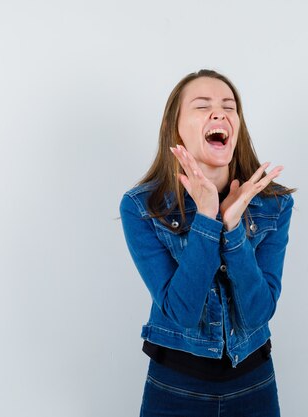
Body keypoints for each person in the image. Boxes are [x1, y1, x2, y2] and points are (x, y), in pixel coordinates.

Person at [119, 69, 295, 417]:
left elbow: (258, 312)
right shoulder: (142, 207)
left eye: (229, 106)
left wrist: (232, 231)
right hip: (175, 388)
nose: (220, 113)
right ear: (177, 128)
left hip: (254, 384)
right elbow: (182, 313)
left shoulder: (274, 204)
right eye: (203, 106)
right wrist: (206, 218)